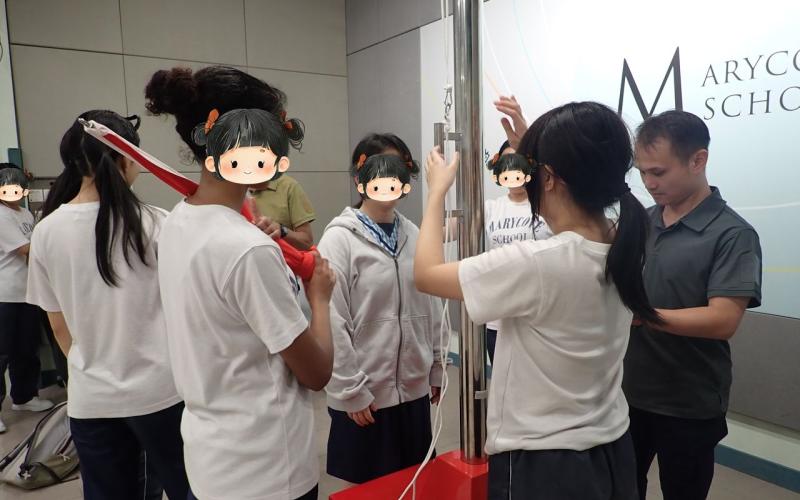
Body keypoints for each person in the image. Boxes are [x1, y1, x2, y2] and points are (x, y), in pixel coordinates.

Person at [415, 101, 661, 500]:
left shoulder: (538, 262)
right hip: (612, 444)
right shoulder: (625, 242)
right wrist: (536, 145)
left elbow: (426, 274)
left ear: (547, 178)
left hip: (545, 460)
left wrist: (436, 192)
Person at [146, 66, 335, 500]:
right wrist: (320, 297)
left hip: (211, 460)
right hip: (267, 469)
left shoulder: (178, 222)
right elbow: (316, 372)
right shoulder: (247, 250)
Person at [25, 110, 188, 500]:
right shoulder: (157, 224)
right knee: (185, 487)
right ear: (125, 158)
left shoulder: (46, 231)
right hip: (160, 393)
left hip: (90, 399)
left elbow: (58, 325)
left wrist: (94, 368)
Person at [624, 110, 763, 500]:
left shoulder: (733, 234)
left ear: (697, 160)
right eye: (642, 172)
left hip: (688, 403)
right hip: (627, 394)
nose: (649, 183)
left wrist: (643, 316)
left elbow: (723, 319)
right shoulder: (642, 223)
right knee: (623, 488)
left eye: (659, 172)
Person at [317, 133, 443, 484]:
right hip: (366, 397)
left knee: (415, 484)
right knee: (372, 489)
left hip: (413, 392)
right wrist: (350, 390)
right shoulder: (340, 239)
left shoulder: (414, 234)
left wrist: (435, 366)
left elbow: (432, 303)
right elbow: (332, 319)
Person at [483, 141, 551, 362]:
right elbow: (449, 230)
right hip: (498, 319)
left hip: (539, 317)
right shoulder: (490, 208)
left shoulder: (546, 206)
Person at [0, 164, 54, 434]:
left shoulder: (23, 212)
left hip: (27, 292)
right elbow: (26, 249)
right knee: (2, 353)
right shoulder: (1, 216)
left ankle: (24, 396)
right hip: (5, 294)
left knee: (26, 347)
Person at [249, 174, 316, 250]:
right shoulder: (238, 187)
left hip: (277, 256)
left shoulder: (289, 186)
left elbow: (306, 242)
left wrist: (281, 230)